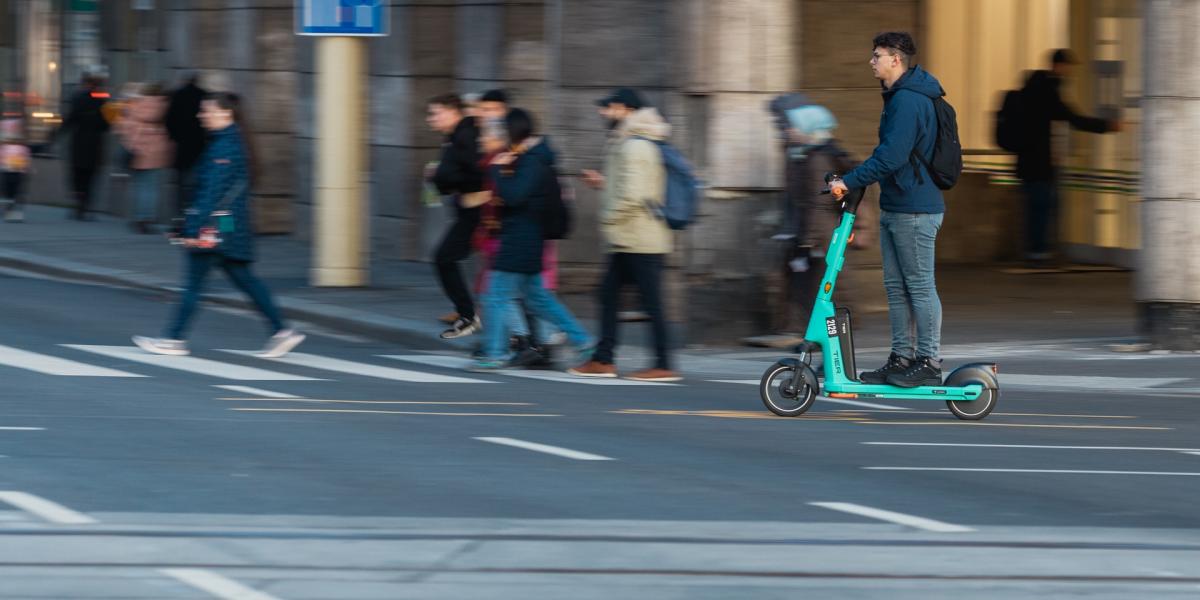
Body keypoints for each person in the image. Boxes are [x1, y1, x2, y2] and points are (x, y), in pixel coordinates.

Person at [133, 92, 304, 358]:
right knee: (242, 276)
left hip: (213, 224)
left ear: (226, 114)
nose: (202, 115)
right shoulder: (231, 143)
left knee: (195, 282)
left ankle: (173, 339)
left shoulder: (225, 148)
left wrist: (193, 230)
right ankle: (281, 331)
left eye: (207, 111)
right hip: (226, 223)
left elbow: (213, 194)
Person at [828, 32, 946, 388]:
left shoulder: (909, 100)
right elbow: (891, 156)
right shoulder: (899, 97)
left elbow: (891, 156)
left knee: (920, 287)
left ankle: (928, 359)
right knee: (896, 288)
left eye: (877, 55)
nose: (871, 61)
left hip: (916, 208)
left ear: (896, 59)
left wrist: (849, 181)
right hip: (898, 205)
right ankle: (902, 357)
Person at [468, 108, 593, 371]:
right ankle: (583, 341)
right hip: (528, 239)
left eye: (503, 131)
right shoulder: (533, 159)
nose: (499, 136)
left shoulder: (531, 162)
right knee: (538, 299)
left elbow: (515, 196)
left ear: (514, 131)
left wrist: (498, 171)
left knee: (495, 295)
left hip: (520, 240)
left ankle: (495, 352)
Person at [570, 88, 680, 382]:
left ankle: (663, 363)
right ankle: (604, 359)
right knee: (609, 294)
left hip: (640, 238)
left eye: (608, 108)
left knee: (650, 301)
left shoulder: (635, 146)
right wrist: (604, 184)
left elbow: (635, 195)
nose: (603, 113)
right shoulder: (629, 142)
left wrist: (608, 217)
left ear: (625, 109)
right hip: (629, 236)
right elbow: (631, 188)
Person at [1015, 49, 1120, 266]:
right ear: (1058, 66)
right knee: (1043, 207)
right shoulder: (1046, 90)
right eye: (1068, 67)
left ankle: (1036, 252)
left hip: (1029, 161)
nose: (1070, 72)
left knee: (1038, 207)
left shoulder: (1033, 88)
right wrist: (1107, 126)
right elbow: (1073, 118)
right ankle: (1038, 254)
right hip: (1039, 163)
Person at [426, 93, 486, 339]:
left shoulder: (465, 135)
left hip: (479, 212)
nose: (431, 119)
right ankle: (470, 315)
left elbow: (476, 173)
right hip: (472, 211)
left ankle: (468, 315)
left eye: (436, 113)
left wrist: (441, 176)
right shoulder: (456, 136)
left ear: (454, 111)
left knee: (445, 258)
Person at [117, 83, 173, 233]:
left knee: (138, 186)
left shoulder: (137, 104)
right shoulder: (164, 105)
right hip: (156, 151)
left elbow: (124, 126)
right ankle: (147, 218)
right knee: (152, 187)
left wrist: (128, 143)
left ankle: (138, 218)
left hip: (137, 150)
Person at [61, 75, 110, 221]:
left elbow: (69, 120)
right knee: (90, 177)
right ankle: (86, 206)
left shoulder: (78, 99)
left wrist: (56, 134)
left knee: (77, 176)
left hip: (78, 143)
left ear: (85, 84)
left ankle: (79, 204)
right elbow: (106, 126)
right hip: (95, 144)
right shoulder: (102, 102)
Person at [165, 73, 207, 218]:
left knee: (182, 185)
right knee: (196, 184)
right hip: (200, 146)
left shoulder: (178, 95)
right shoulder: (204, 95)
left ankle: (182, 216)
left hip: (182, 146)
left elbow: (169, 120)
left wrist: (174, 137)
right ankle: (193, 216)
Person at [1, 117, 31, 223]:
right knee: (14, 193)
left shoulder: (6, 147)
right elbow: (26, 159)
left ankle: (10, 210)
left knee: (10, 193)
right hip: (15, 172)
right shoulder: (21, 148)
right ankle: (12, 211)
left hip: (10, 172)